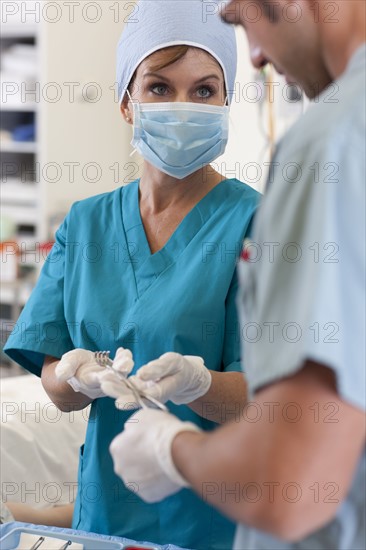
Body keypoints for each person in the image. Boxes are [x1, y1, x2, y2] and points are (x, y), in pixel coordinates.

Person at [105, 0, 366, 549]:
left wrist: (169, 450)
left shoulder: (331, 143)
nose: (257, 55)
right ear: (125, 101)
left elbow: (289, 483)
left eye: (246, 19)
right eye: (158, 86)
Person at [4, 1, 260, 548]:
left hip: (214, 522)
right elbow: (54, 381)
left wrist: (200, 385)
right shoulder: (87, 221)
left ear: (226, 101)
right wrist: (76, 375)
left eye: (205, 90)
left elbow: (264, 397)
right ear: (127, 101)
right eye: (160, 88)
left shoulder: (256, 223)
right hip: (103, 519)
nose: (183, 106)